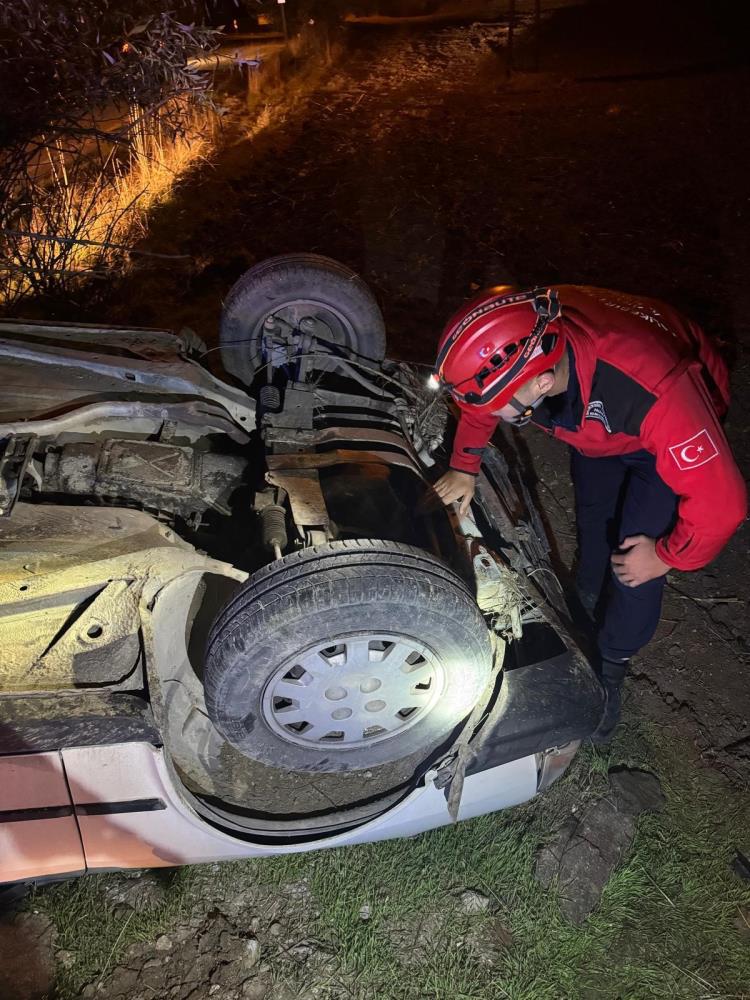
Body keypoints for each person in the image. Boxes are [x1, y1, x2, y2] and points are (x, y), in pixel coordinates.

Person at [431, 285, 747, 742]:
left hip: (657, 419)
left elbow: (724, 504)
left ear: (541, 383)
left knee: (635, 564)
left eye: (496, 406)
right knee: (595, 513)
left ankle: (612, 664)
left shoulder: (658, 389)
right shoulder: (532, 341)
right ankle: (586, 588)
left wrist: (667, 555)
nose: (482, 414)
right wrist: (465, 464)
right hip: (598, 423)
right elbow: (483, 396)